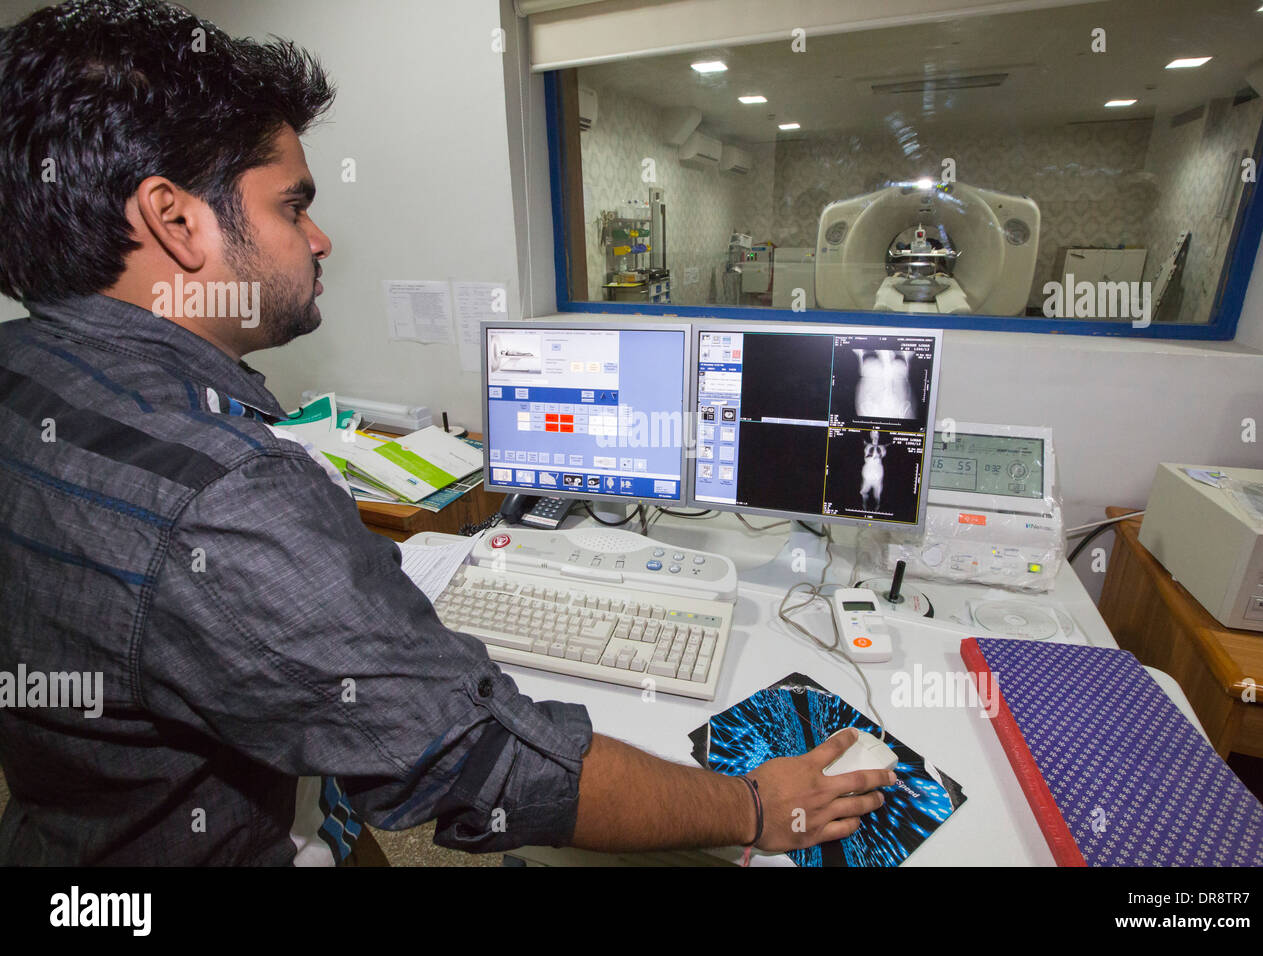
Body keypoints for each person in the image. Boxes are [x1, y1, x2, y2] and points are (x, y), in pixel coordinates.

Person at [0, 0, 893, 865]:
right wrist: (751, 806)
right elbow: (482, 764)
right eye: (290, 204)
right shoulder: (223, 497)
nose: (320, 238)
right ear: (175, 220)